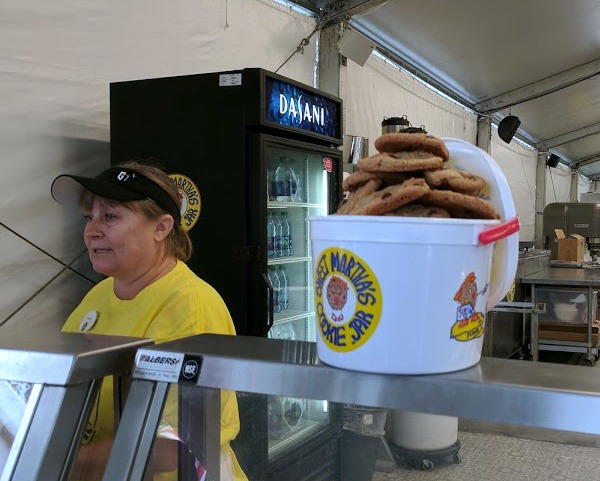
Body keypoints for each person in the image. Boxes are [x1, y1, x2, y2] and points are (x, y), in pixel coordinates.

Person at [51, 160, 247, 481]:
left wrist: (62, 465)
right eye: (90, 217)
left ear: (161, 228)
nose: (92, 230)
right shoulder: (98, 297)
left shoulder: (191, 306)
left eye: (110, 216)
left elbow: (174, 447)